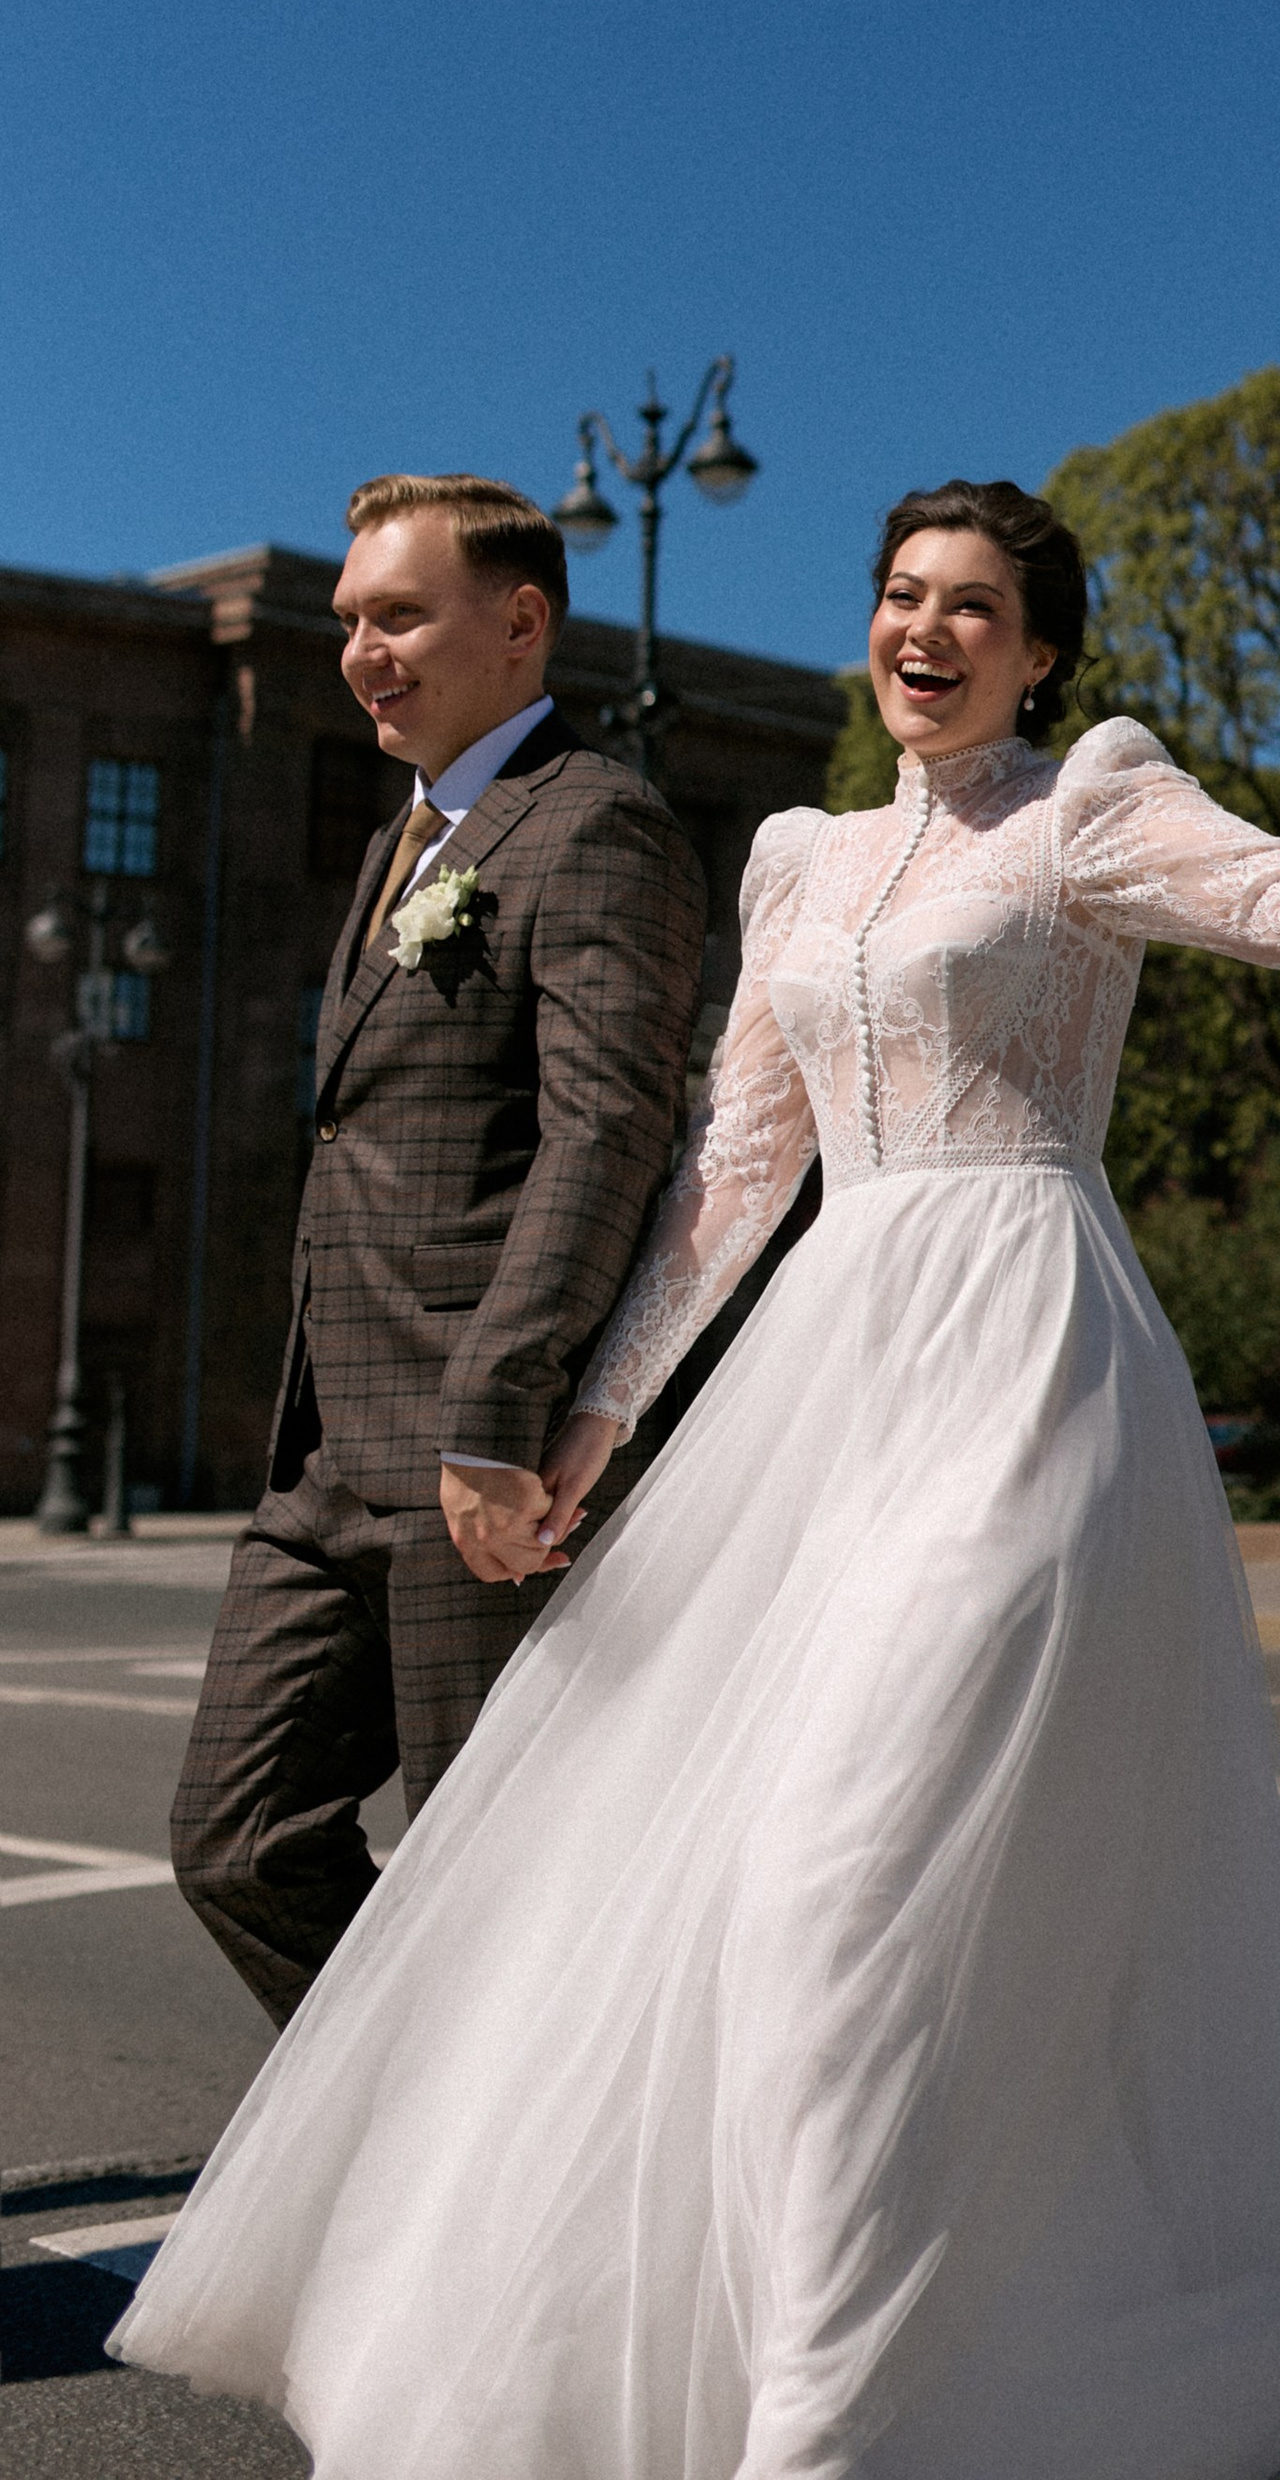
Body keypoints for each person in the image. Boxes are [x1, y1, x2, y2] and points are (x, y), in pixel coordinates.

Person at [118, 478, 1280, 2480]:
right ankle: (886, 2347)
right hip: (827, 1374)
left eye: (973, 607)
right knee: (770, 1908)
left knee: (845, 1888)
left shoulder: (1092, 800)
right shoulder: (795, 861)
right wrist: (581, 1434)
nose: (925, 632)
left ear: (1042, 648)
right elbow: (730, 1180)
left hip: (1025, 1367)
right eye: (900, 596)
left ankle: (819, 2436)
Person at [168, 473, 707, 2023]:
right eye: (347, 621)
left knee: (502, 1877)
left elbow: (608, 1136)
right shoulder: (404, 842)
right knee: (236, 1841)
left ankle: (522, 2224)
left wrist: (498, 1413)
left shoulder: (597, 824)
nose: (362, 651)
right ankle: (412, 2134)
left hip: (479, 1464)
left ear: (523, 622)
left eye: (398, 614)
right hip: (324, 1459)